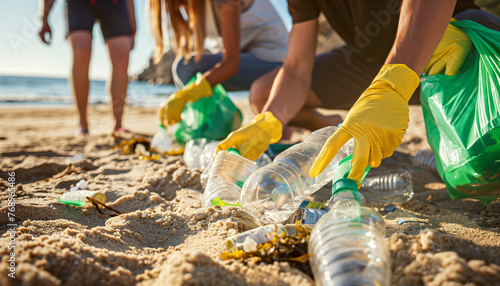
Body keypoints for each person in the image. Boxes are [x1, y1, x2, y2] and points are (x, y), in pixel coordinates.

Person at [215, 0, 500, 186]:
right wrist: (270, 119)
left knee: (479, 165)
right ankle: (338, 132)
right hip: (369, 62)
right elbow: (296, 67)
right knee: (265, 94)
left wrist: (393, 83)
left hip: (442, 44)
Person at [152, 0, 289, 127]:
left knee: (185, 67)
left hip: (278, 61)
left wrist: (189, 93)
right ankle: (208, 125)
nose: (182, 6)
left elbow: (231, 64)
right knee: (186, 65)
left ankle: (211, 128)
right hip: (252, 58)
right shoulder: (199, 8)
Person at [38, 0, 136, 136]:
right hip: (78, 4)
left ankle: (118, 124)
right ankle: (83, 124)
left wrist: (132, 25)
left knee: (122, 56)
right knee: (81, 53)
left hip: (115, 4)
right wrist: (44, 18)